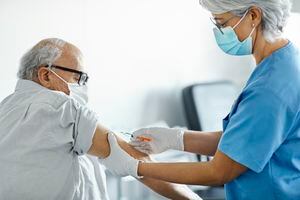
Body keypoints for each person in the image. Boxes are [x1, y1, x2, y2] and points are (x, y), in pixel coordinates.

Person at [100, 0, 300, 199]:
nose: (219, 33)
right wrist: (175, 138)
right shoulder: (285, 61)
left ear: (253, 16)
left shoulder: (270, 88)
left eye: (222, 24)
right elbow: (242, 142)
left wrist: (137, 167)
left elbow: (219, 171)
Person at [0, 38, 201, 200]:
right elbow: (140, 160)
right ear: (46, 76)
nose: (82, 85)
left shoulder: (5, 108)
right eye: (78, 77)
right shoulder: (61, 107)